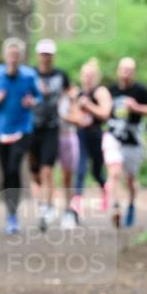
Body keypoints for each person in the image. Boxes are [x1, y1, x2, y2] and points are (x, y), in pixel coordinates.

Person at [0, 37, 41, 235]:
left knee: (14, 167)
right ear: (5, 56)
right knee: (7, 172)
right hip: (1, 130)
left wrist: (32, 100)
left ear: (21, 57)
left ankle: (13, 214)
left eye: (16, 55)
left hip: (23, 129)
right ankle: (10, 213)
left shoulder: (29, 75)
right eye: (10, 54)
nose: (13, 58)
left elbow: (38, 96)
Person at [103, 57, 147, 228]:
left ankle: (130, 205)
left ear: (134, 72)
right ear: (118, 71)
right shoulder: (110, 90)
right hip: (113, 137)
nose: (126, 73)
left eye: (129, 70)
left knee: (130, 180)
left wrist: (137, 107)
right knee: (114, 172)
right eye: (123, 69)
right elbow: (101, 109)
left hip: (133, 140)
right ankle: (115, 206)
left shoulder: (141, 90)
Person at [28, 38, 70, 231]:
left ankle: (46, 207)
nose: (46, 58)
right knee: (34, 173)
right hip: (31, 128)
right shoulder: (29, 74)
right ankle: (46, 203)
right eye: (43, 54)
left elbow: (71, 93)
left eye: (49, 54)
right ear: (38, 55)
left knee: (47, 170)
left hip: (52, 128)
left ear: (53, 56)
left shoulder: (61, 75)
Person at [72, 58, 112, 220]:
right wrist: (78, 118)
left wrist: (88, 106)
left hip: (97, 135)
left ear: (96, 77)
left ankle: (105, 188)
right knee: (80, 167)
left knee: (96, 171)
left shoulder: (101, 91)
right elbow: (74, 114)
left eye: (90, 75)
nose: (87, 78)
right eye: (84, 75)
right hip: (81, 133)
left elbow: (105, 113)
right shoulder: (79, 93)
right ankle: (77, 201)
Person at [57, 78, 82, 230]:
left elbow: (77, 118)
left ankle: (68, 210)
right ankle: (48, 208)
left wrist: (61, 116)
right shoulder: (51, 98)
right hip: (52, 137)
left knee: (67, 177)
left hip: (68, 137)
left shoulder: (71, 99)